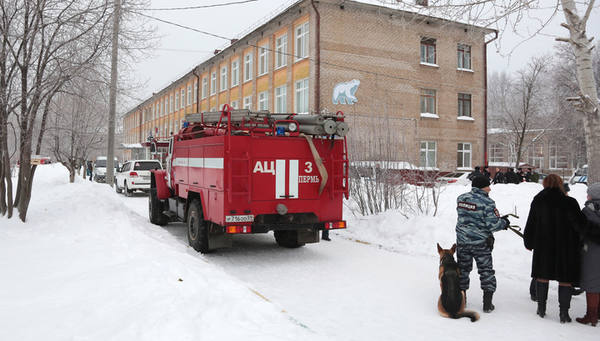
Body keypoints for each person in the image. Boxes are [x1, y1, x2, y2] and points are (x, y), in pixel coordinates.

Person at [523, 174, 584, 323]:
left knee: (542, 276)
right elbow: (579, 226)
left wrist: (528, 242)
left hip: (543, 245)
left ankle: (541, 308)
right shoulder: (570, 202)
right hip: (566, 246)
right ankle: (564, 313)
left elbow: (531, 222)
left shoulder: (538, 200)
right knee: (565, 279)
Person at [456, 175, 509, 313]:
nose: (490, 189)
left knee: (462, 271)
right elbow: (493, 225)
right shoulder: (487, 203)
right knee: (486, 272)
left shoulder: (461, 199)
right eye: (488, 186)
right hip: (480, 243)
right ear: (482, 187)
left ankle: (461, 300)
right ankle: (487, 304)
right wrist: (504, 223)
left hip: (462, 242)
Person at [575, 183, 600, 326]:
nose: (587, 195)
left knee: (591, 284)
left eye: (589, 193)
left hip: (591, 250)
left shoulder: (588, 210)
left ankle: (591, 315)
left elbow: (581, 229)